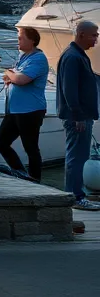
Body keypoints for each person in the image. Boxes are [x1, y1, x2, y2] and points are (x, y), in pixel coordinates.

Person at [55, 20, 100, 212]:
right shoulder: (73, 57)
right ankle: (75, 196)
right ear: (81, 34)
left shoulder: (78, 55)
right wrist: (78, 116)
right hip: (77, 118)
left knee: (77, 156)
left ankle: (75, 194)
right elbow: (69, 90)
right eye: (94, 35)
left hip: (81, 115)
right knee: (77, 157)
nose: (96, 39)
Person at [0, 26, 49, 182]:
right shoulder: (23, 57)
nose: (17, 41)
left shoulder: (38, 58)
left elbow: (20, 79)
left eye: (20, 38)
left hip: (30, 110)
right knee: (1, 142)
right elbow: (12, 75)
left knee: (30, 147)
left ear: (31, 41)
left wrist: (9, 74)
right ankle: (20, 172)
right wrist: (11, 75)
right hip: (15, 109)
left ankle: (35, 180)